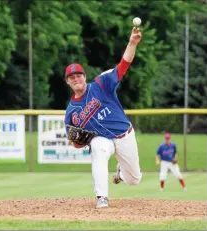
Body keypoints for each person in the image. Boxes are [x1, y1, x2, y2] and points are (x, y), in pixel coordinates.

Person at [64, 27, 142, 208]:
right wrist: (79, 142)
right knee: (97, 149)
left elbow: (123, 65)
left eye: (79, 75)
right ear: (67, 81)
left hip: (124, 134)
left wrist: (132, 43)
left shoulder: (101, 83)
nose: (76, 79)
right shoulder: (71, 113)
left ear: (85, 77)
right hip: (103, 140)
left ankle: (121, 174)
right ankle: (102, 198)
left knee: (134, 179)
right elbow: (75, 144)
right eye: (72, 77)